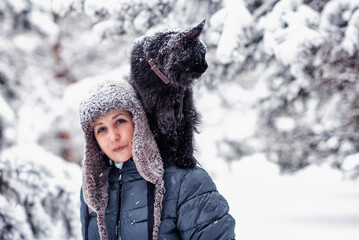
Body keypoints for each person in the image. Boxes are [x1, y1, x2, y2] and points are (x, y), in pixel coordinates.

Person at [79, 79, 236, 240]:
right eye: (101, 129)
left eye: (120, 121)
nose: (113, 136)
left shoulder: (184, 180)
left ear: (138, 120)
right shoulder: (94, 190)